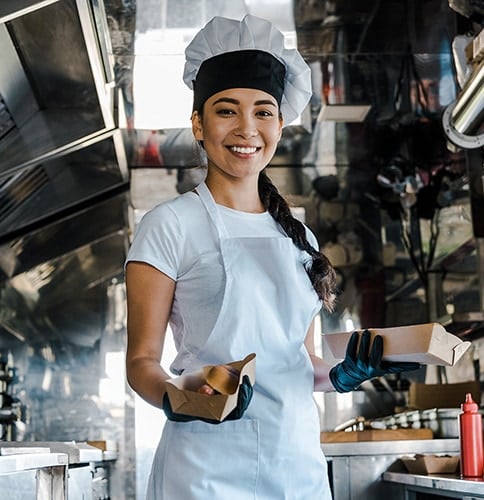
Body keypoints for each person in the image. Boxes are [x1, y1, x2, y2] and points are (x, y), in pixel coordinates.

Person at [125, 14, 420, 499]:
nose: (247, 128)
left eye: (263, 111)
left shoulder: (298, 234)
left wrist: (343, 374)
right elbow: (141, 362)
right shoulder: (168, 225)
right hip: (203, 470)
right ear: (198, 123)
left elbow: (300, 363)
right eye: (226, 110)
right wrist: (177, 399)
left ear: (280, 124)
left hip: (294, 466)